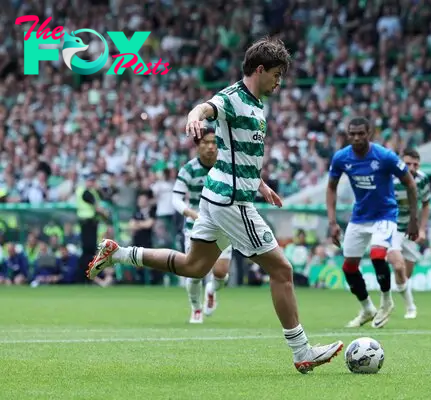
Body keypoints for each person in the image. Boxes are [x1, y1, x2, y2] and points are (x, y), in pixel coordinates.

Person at [86, 37, 343, 374]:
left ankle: (118, 253)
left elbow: (239, 153)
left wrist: (260, 183)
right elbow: (206, 107)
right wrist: (195, 116)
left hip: (216, 196)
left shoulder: (256, 103)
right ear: (260, 69)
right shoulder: (233, 98)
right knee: (282, 270)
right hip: (232, 203)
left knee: (194, 267)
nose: (279, 81)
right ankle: (301, 351)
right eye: (277, 74)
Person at [326, 117, 419, 329]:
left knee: (378, 254)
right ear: (348, 135)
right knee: (349, 267)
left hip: (385, 214)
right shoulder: (341, 158)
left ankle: (386, 301)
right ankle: (367, 308)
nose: (357, 138)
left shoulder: (384, 156)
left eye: (361, 133)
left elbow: (410, 184)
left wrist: (413, 219)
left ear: (370, 133)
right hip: (359, 217)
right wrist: (332, 222)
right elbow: (331, 187)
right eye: (353, 134)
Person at [171, 126, 232, 324]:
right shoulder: (189, 169)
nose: (210, 147)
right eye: (205, 142)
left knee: (221, 272)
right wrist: (190, 213)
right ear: (198, 146)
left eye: (214, 142)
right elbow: (176, 198)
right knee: (194, 272)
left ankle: (212, 290)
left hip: (222, 224)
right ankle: (196, 308)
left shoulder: (226, 166)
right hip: (195, 225)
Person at [387, 148, 431, 320]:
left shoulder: (422, 179)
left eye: (415, 164)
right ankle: (399, 305)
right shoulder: (390, 178)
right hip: (391, 228)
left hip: (410, 231)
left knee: (405, 275)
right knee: (398, 266)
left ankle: (408, 305)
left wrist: (421, 229)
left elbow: (426, 204)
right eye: (408, 164)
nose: (412, 167)